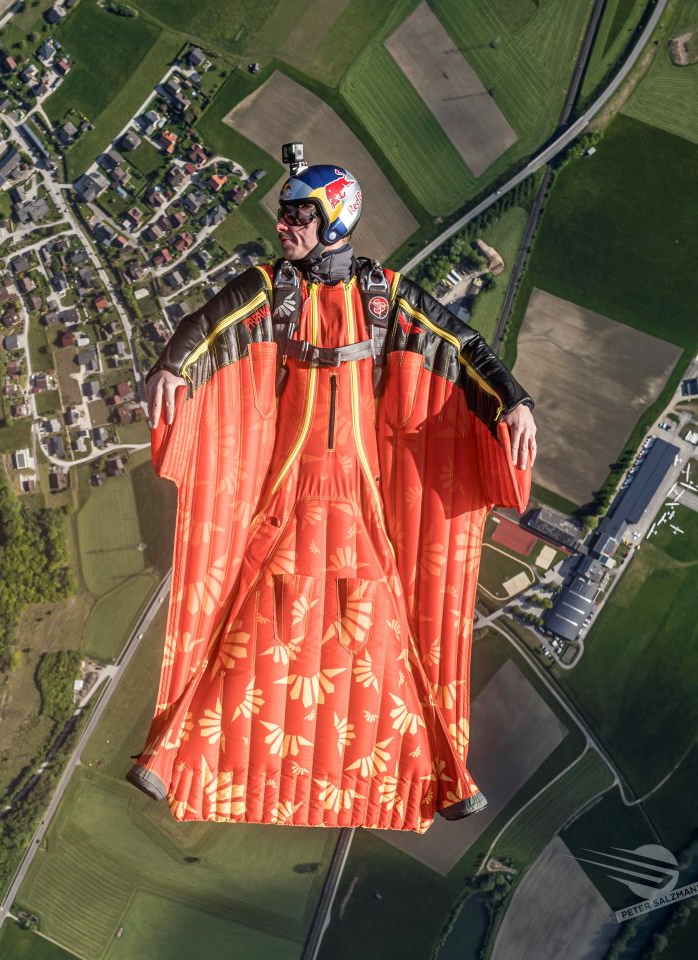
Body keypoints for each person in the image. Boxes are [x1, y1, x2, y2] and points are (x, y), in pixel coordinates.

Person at [127, 147, 536, 832]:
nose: (284, 225)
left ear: (333, 220)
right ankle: (171, 755)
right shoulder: (271, 287)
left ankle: (441, 772)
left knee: (400, 623)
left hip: (362, 488)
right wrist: (173, 366)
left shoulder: (385, 294)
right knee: (234, 613)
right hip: (287, 482)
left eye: (297, 215)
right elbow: (209, 324)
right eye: (284, 214)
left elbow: (461, 345)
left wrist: (514, 401)